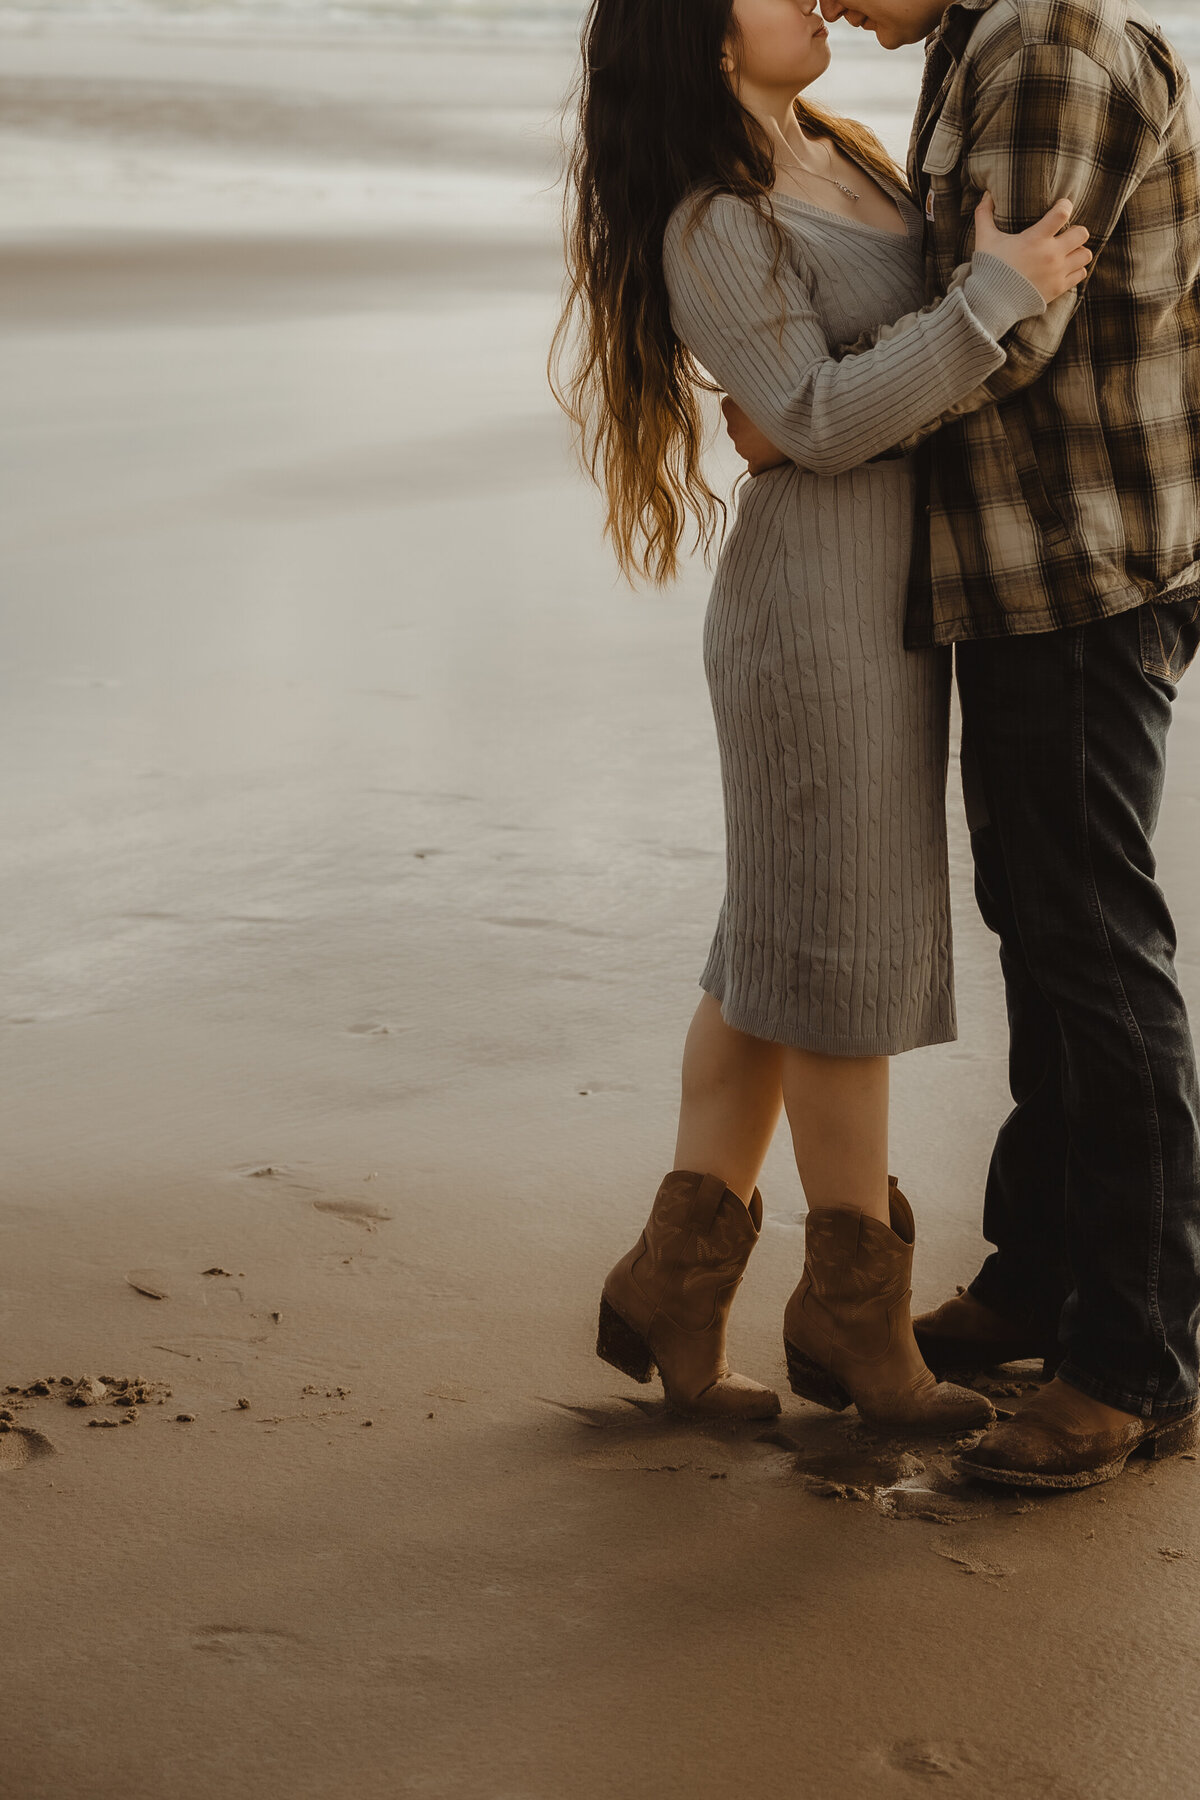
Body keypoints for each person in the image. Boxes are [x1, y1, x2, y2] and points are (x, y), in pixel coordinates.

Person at [552, 0, 1088, 1432]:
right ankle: (858, 1328)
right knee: (838, 953)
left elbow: (823, 408)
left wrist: (827, 402)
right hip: (815, 620)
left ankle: (672, 1284)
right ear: (697, 33)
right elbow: (819, 413)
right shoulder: (710, 220)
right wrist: (989, 299)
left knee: (774, 955)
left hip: (890, 603)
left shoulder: (843, 149)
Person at [724, 0, 1200, 1487]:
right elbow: (974, 296)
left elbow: (1014, 330)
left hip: (1078, 563)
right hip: (1019, 568)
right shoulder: (977, 45)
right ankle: (1041, 1275)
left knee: (1092, 948)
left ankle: (1140, 1356)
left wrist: (814, 419)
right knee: (1042, 931)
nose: (834, 5)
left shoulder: (1041, 46)